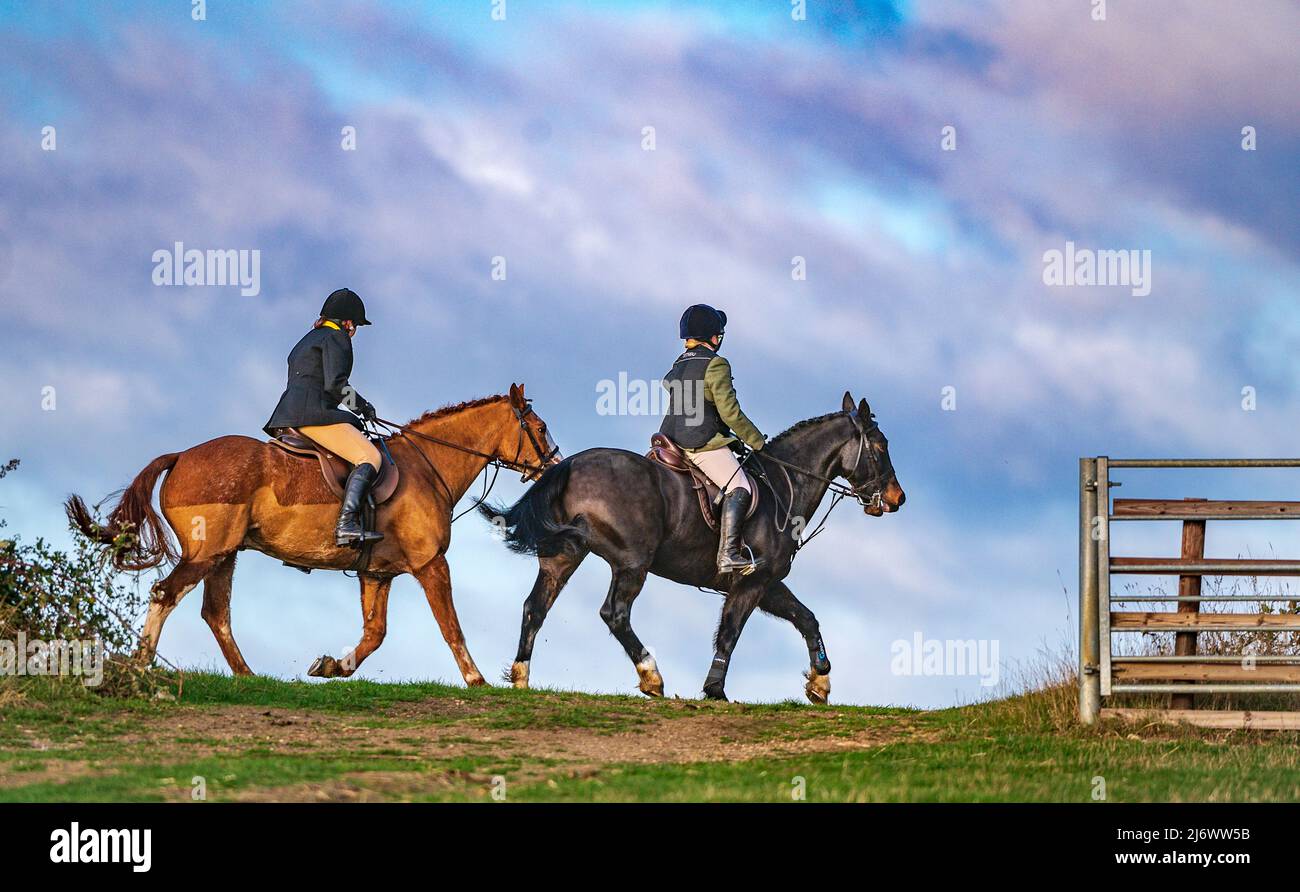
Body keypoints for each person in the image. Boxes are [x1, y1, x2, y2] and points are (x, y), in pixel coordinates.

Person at [264, 288, 383, 547]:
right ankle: (346, 525)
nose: (355, 331)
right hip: (311, 415)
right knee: (370, 457)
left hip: (285, 416)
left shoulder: (307, 339)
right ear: (348, 322)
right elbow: (336, 385)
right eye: (356, 326)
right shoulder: (337, 338)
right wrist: (362, 407)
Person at [659, 304, 767, 575]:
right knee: (740, 487)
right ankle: (728, 554)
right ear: (713, 337)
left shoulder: (678, 365)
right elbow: (730, 412)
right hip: (698, 443)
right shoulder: (716, 364)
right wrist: (757, 441)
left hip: (667, 439)